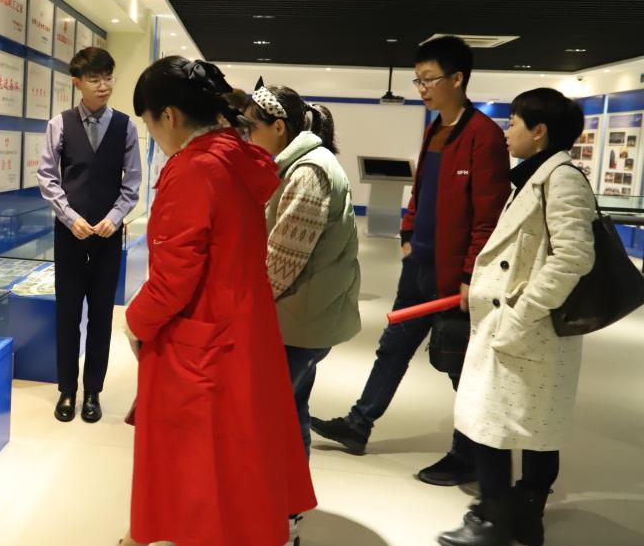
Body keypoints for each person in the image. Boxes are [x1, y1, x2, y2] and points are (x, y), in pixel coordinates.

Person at [120, 57, 316, 546]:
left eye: (150, 123)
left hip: (201, 336)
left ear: (168, 116)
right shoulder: (236, 156)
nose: (153, 135)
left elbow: (174, 278)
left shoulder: (194, 169)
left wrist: (135, 322)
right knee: (238, 453)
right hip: (243, 327)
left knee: (197, 461)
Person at [311, 35, 511, 486]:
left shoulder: (483, 136)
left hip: (454, 275)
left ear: (457, 79)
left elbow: (488, 216)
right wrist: (406, 235)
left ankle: (467, 453)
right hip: (418, 264)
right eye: (417, 79)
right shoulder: (435, 128)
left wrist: (469, 275)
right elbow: (421, 191)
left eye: (429, 79)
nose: (422, 88)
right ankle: (359, 423)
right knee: (394, 347)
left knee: (458, 362)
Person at [439, 89, 595, 546]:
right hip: (519, 327)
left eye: (513, 123)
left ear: (539, 131)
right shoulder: (535, 176)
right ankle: (523, 517)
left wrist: (522, 313)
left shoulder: (560, 179)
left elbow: (573, 256)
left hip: (529, 326)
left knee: (504, 423)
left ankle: (497, 517)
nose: (506, 132)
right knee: (520, 422)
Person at [244, 86, 361, 456]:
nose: (247, 136)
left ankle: (280, 488)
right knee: (292, 409)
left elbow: (282, 263)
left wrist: (246, 308)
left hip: (298, 320)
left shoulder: (309, 173)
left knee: (270, 415)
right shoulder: (302, 165)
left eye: (252, 127)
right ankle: (291, 489)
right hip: (302, 315)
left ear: (278, 127)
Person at [37, 47, 142, 423]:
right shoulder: (60, 124)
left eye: (108, 77)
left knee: (101, 315)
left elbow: (132, 182)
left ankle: (93, 390)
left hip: (108, 235)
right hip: (69, 234)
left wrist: (115, 217)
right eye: (95, 79)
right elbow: (47, 177)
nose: (104, 86)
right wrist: (69, 218)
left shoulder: (126, 126)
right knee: (67, 313)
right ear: (77, 83)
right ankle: (67, 389)